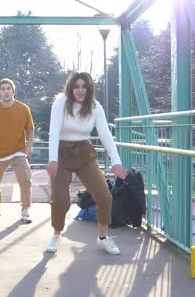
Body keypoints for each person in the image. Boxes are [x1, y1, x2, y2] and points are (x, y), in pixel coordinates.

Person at [46, 71, 127, 254]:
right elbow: (54, 131)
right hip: (62, 152)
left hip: (84, 152)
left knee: (104, 195)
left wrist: (116, 162)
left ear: (89, 88)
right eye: (76, 86)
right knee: (60, 199)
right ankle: (56, 234)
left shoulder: (95, 107)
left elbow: (105, 135)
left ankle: (103, 238)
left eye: (84, 86)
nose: (80, 90)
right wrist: (52, 160)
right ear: (71, 88)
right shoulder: (61, 103)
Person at [0, 78, 34, 223]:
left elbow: (30, 130)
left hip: (18, 151)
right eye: (3, 89)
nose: (6, 91)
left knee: (25, 179)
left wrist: (29, 146)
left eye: (8, 88)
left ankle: (25, 209)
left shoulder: (23, 108)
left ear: (13, 91)